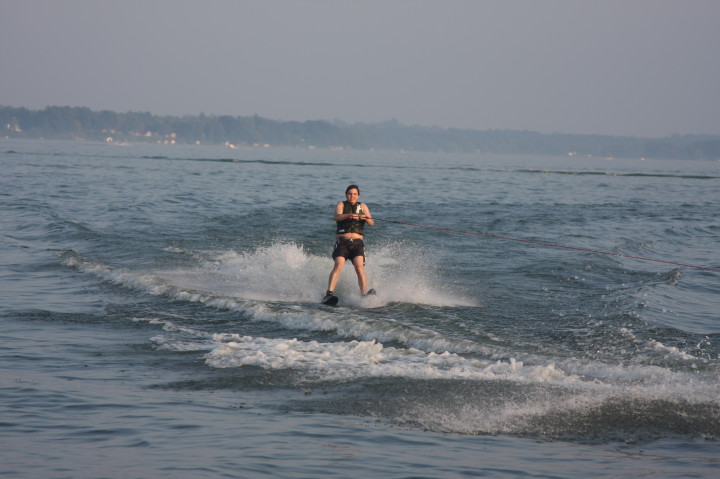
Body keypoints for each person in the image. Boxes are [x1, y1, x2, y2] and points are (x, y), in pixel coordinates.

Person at [323, 184, 375, 303]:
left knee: (359, 267)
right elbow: (337, 217)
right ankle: (329, 294)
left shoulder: (362, 206)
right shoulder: (341, 205)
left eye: (354, 194)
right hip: (342, 243)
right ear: (346, 195)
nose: (352, 196)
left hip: (357, 243)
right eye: (350, 194)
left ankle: (364, 294)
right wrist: (349, 215)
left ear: (358, 195)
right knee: (339, 265)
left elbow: (371, 223)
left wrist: (363, 217)